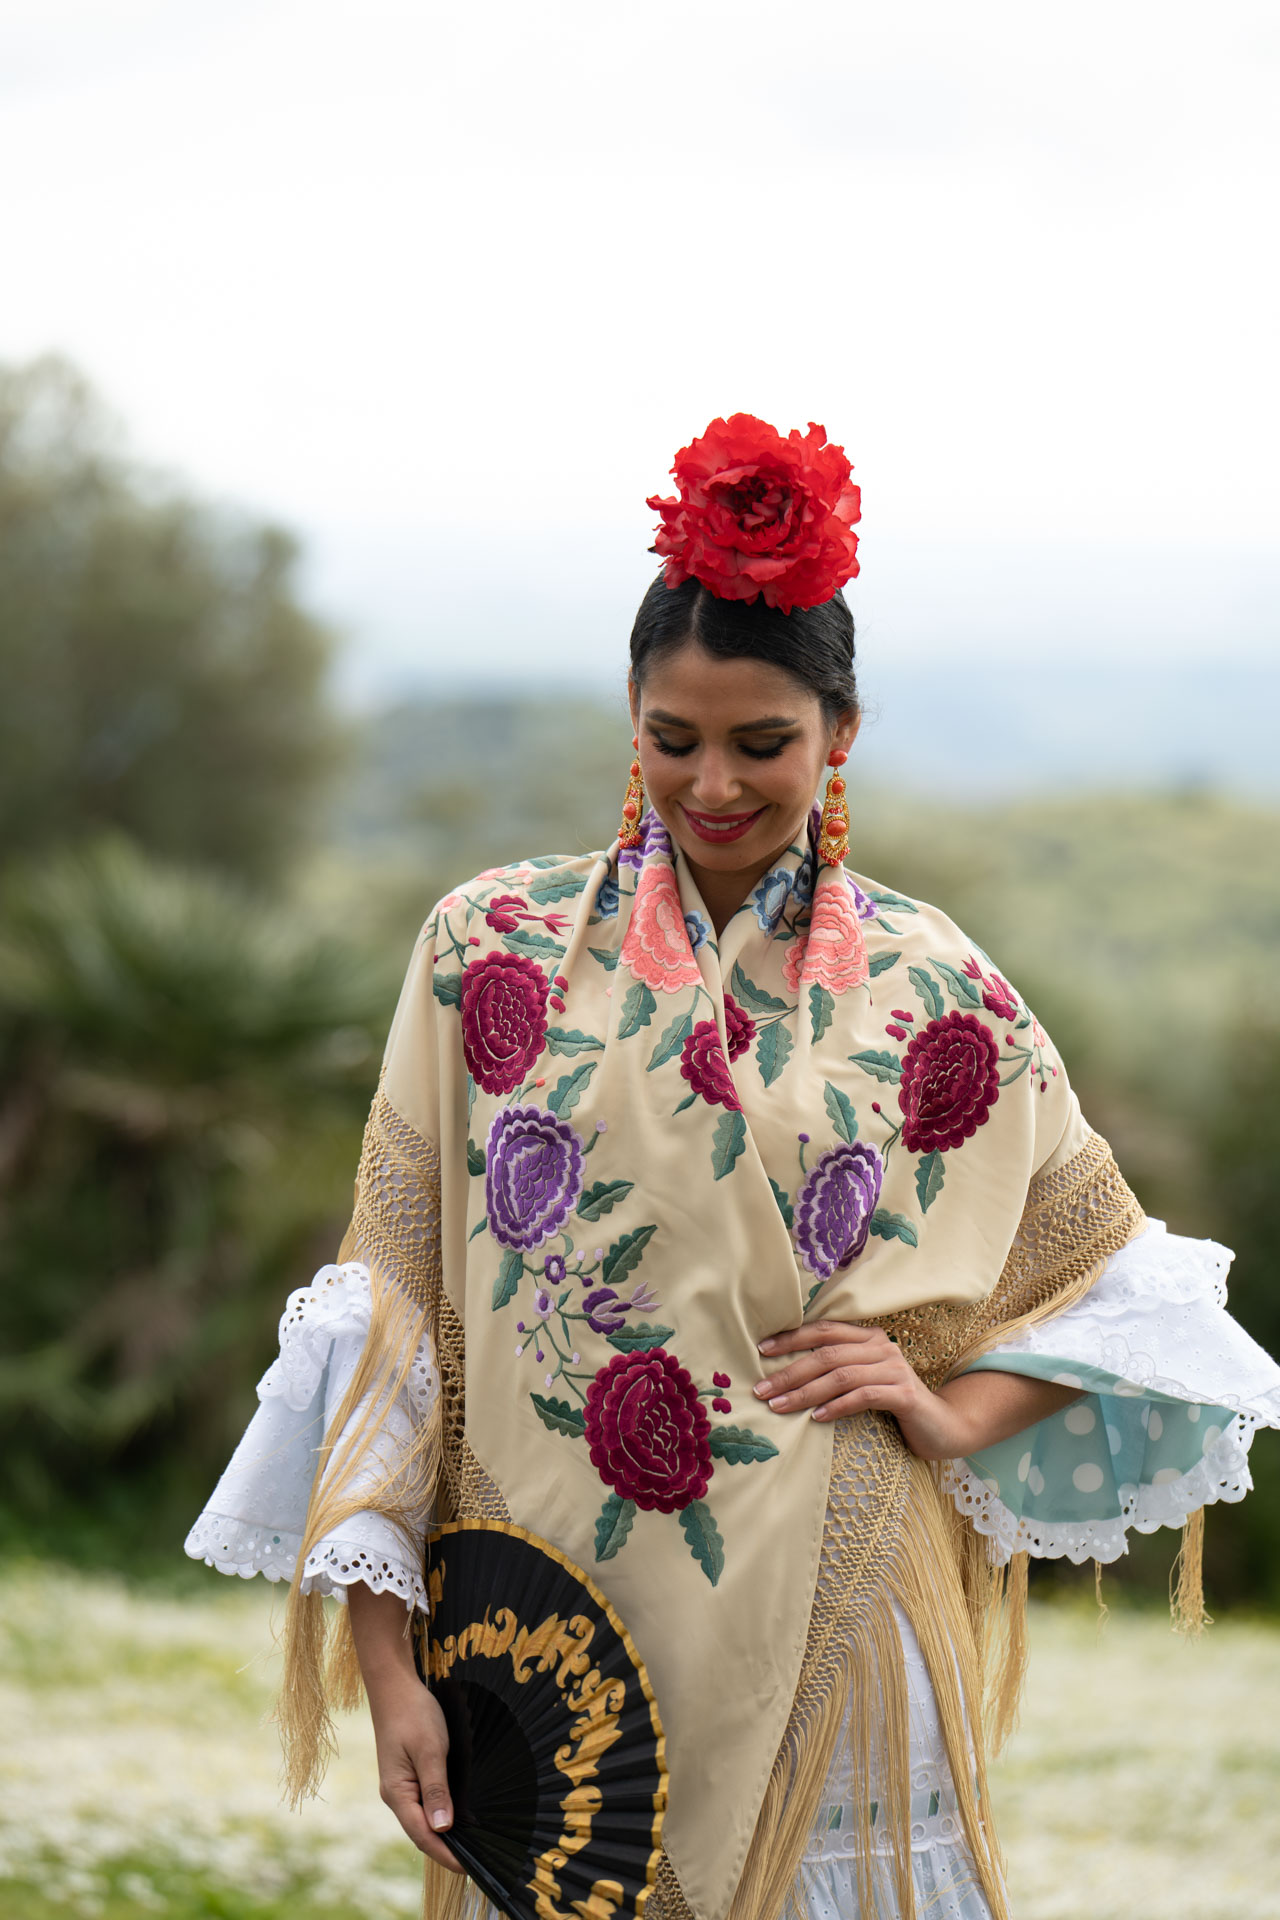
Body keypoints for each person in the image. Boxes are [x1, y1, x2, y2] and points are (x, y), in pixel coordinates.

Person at [187, 414, 1280, 1920]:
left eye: (761, 743)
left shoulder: (934, 984)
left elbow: (1121, 1285)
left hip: (843, 1610)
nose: (713, 784)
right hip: (552, 1633)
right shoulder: (483, 954)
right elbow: (396, 1311)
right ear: (628, 720)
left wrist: (947, 1412)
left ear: (838, 736)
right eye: (673, 738)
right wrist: (391, 1668)